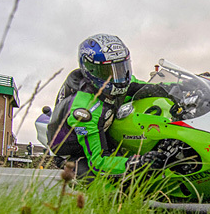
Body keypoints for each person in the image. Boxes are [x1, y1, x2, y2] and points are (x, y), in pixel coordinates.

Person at [46, 34, 164, 178]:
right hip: (75, 150)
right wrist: (137, 163)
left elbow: (150, 88)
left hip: (104, 131)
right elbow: (98, 162)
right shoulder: (85, 110)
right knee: (109, 185)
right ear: (91, 71)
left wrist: (180, 88)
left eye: (122, 68)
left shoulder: (124, 82)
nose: (118, 77)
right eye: (108, 72)